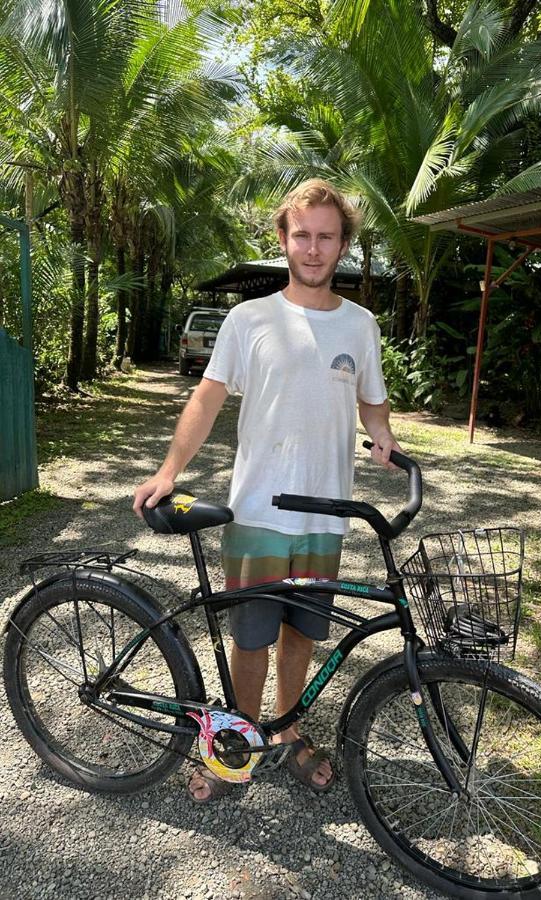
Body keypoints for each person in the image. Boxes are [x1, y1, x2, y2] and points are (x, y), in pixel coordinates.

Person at [133, 178, 400, 800]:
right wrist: (169, 469)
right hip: (257, 508)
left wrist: (383, 438)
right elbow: (207, 398)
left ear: (342, 245)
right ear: (284, 238)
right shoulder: (248, 318)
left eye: (326, 237)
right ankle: (241, 742)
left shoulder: (361, 326)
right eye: (302, 235)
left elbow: (373, 404)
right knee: (251, 636)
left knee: (302, 633)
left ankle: (287, 730)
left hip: (326, 512)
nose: (313, 248)